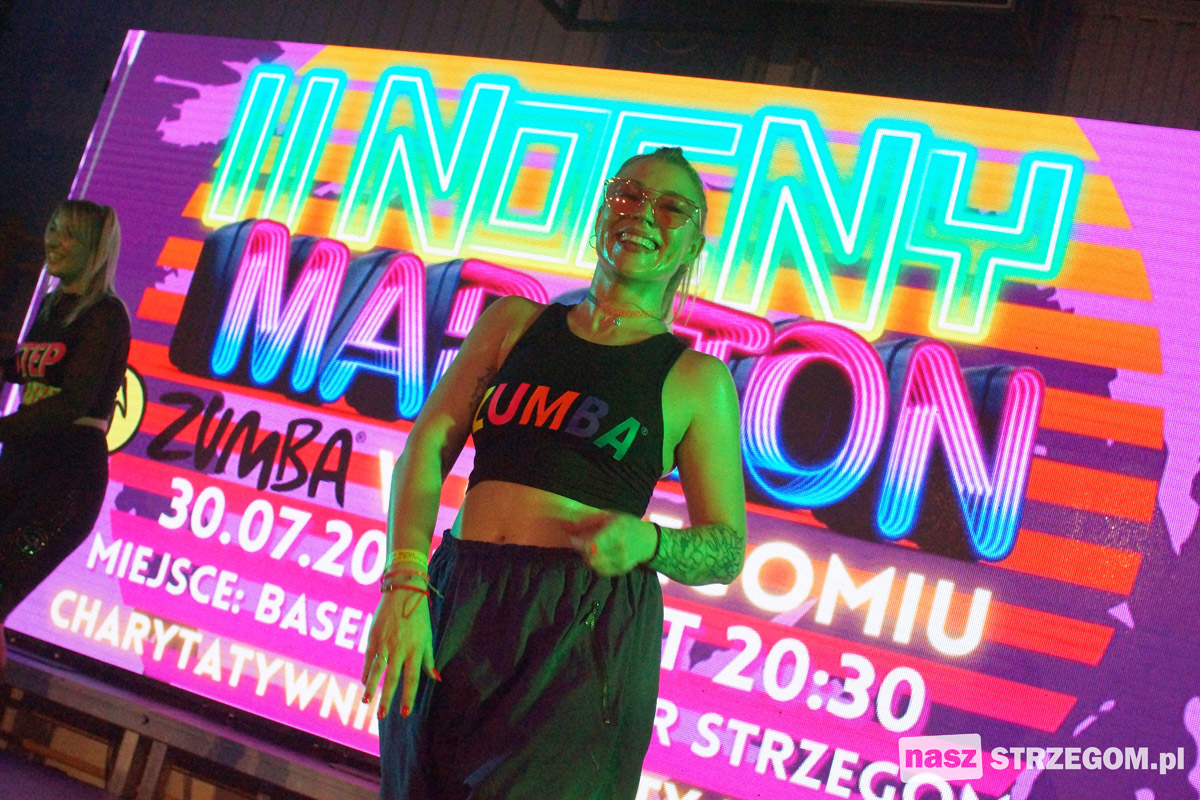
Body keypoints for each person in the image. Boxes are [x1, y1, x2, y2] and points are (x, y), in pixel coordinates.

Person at [361, 148, 747, 799]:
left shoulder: (695, 379)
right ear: (601, 213)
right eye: (627, 195)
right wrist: (405, 583)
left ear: (693, 246)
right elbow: (425, 450)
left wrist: (649, 541)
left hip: (581, 629)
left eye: (671, 208)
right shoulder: (513, 323)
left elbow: (726, 550)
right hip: (456, 595)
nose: (642, 215)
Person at [0, 200, 131, 677]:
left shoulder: (106, 316)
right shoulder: (53, 306)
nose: (52, 241)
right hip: (21, 465)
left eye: (67, 234)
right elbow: (23, 368)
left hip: (64, 481)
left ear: (94, 249)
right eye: (52, 228)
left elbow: (72, 402)